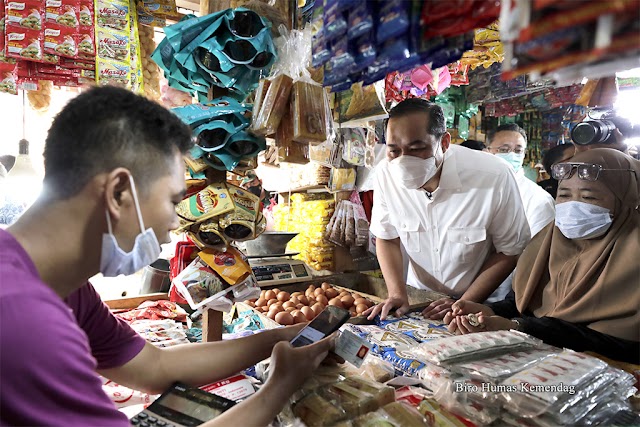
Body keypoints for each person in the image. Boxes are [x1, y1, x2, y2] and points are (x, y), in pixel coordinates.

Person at [0, 87, 336, 426]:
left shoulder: (64, 286)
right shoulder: (22, 317)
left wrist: (277, 338)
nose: (175, 223)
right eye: (172, 202)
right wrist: (277, 388)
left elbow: (153, 367)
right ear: (118, 192)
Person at [444, 148, 640, 364]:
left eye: (588, 196)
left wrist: (521, 327)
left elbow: (626, 345)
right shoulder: (547, 242)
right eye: (564, 195)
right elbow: (522, 303)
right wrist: (488, 311)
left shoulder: (634, 256)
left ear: (625, 201)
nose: (573, 205)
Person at [365, 99, 531, 321]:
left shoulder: (493, 176)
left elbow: (510, 250)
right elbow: (387, 237)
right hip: (421, 299)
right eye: (394, 151)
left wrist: (465, 303)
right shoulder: (385, 174)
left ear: (444, 142)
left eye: (417, 149)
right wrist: (397, 293)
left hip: (482, 301)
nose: (404, 160)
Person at [485, 124, 556, 301]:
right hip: (460, 291)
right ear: (487, 151)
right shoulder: (475, 189)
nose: (512, 155)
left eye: (518, 150)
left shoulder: (539, 200)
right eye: (504, 149)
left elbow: (535, 257)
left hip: (506, 296)